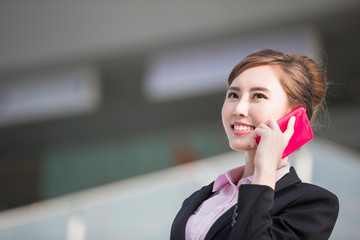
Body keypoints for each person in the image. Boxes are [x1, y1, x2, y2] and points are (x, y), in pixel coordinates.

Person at [170, 49, 339, 240]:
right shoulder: (204, 196)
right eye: (233, 95)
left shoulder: (313, 204)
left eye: (258, 96)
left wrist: (265, 169)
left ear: (294, 115)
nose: (239, 109)